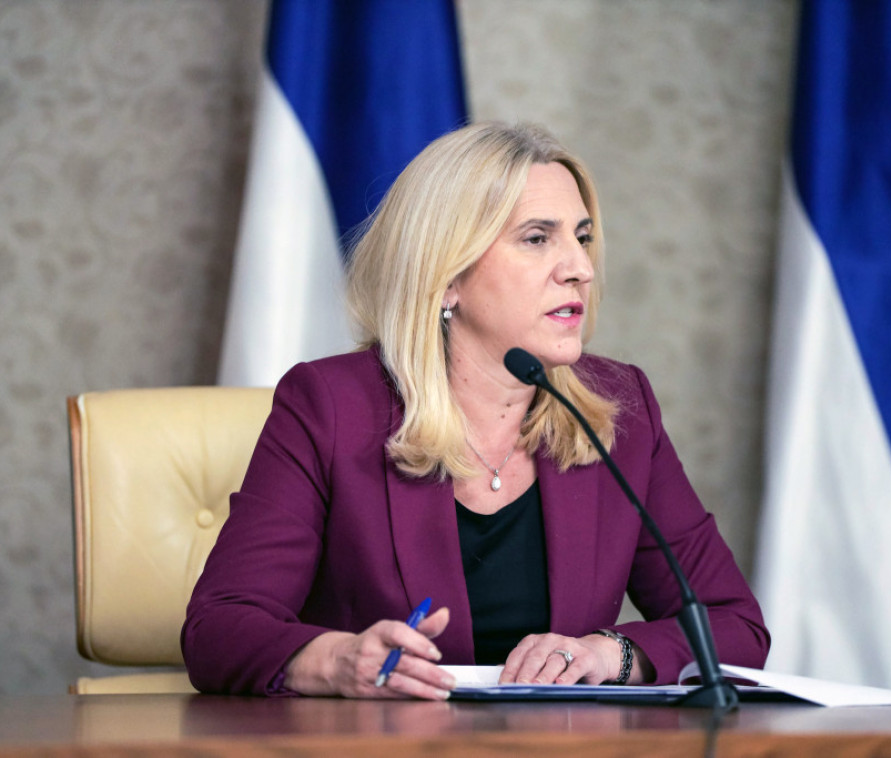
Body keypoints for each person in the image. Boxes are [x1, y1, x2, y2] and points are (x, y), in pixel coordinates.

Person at [182, 121, 769, 698]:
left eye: (582, 237)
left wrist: (608, 654)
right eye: (537, 238)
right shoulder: (330, 406)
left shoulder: (620, 409)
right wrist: (337, 661)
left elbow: (734, 625)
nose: (580, 268)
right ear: (446, 277)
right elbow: (220, 628)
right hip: (382, 743)